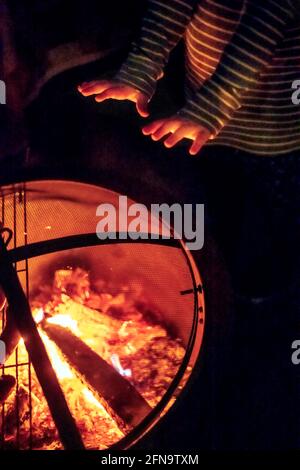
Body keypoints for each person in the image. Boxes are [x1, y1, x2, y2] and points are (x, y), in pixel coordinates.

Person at [78, 0, 300, 299]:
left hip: (275, 128)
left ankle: (278, 281)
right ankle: (227, 273)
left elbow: (259, 34)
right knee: (222, 202)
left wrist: (210, 107)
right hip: (203, 121)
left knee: (280, 211)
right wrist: (141, 68)